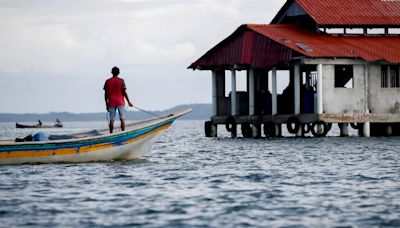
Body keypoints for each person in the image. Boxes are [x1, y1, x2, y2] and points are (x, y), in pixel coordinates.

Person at [103, 66, 133, 133]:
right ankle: (123, 132)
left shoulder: (107, 81)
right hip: (120, 102)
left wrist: (106, 104)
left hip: (111, 102)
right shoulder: (121, 81)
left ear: (111, 72)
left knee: (112, 119)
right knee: (122, 118)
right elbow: (124, 92)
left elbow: (105, 94)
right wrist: (129, 102)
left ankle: (111, 133)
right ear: (119, 73)